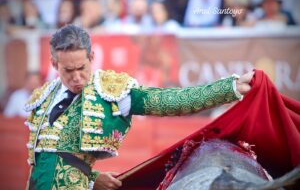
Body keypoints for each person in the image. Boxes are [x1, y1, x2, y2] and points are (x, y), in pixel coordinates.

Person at [24, 24, 254, 190]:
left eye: (81, 67)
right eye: (68, 71)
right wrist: (93, 178)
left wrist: (229, 88)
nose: (76, 77)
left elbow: (171, 101)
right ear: (55, 64)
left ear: (92, 56)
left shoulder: (112, 90)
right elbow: (45, 160)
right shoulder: (44, 97)